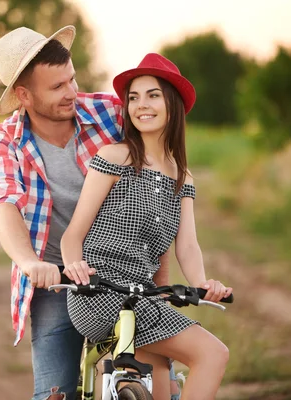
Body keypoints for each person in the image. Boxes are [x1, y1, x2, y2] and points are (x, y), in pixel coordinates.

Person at [0, 26, 180, 400]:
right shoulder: (5, 140)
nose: (72, 93)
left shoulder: (111, 113)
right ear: (23, 95)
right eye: (57, 87)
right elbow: (5, 204)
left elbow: (156, 188)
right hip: (57, 278)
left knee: (161, 390)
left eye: (71, 79)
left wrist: (160, 280)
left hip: (125, 273)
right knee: (55, 393)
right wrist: (28, 262)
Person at [61, 53, 232, 400]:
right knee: (213, 353)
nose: (141, 105)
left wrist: (201, 284)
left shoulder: (182, 178)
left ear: (173, 104)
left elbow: (187, 246)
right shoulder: (114, 157)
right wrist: (74, 266)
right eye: (134, 98)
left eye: (152, 95)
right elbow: (73, 234)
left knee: (160, 392)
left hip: (144, 298)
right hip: (100, 293)